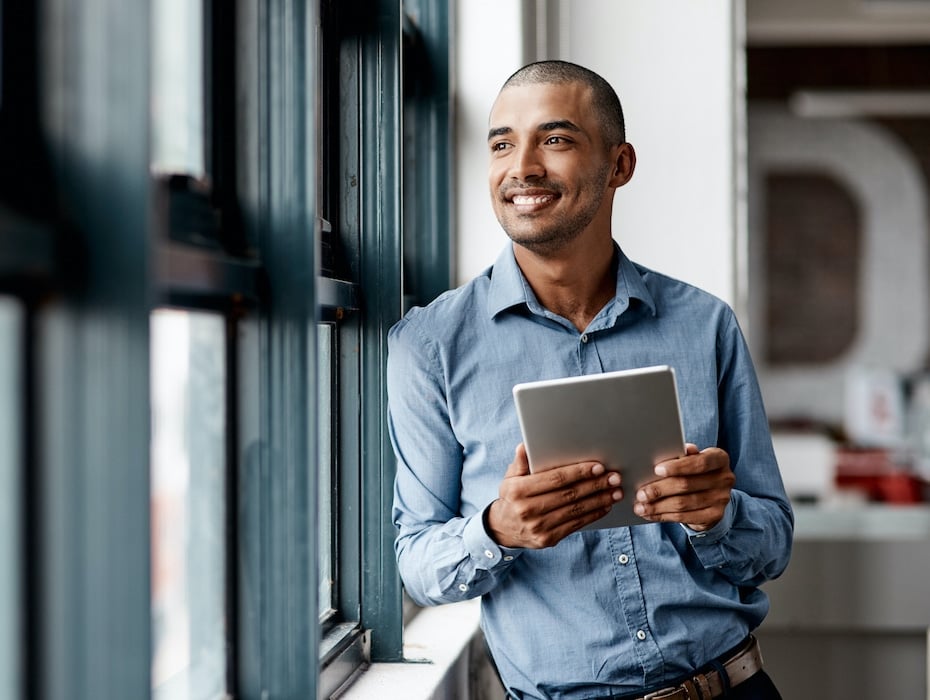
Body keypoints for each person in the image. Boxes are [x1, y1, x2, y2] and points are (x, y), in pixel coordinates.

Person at [387, 60, 793, 700]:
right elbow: (415, 565)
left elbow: (772, 546)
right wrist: (497, 531)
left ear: (619, 165)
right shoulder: (430, 346)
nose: (521, 167)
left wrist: (717, 515)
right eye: (501, 144)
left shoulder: (706, 325)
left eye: (555, 139)